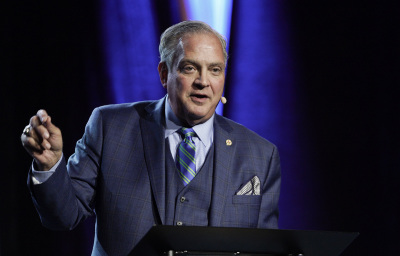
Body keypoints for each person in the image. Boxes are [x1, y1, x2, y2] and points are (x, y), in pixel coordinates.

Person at [21, 20, 281, 256]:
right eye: (190, 68)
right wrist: (50, 164)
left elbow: (264, 249)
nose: (203, 81)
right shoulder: (110, 127)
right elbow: (64, 216)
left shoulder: (260, 154)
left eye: (215, 70)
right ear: (164, 74)